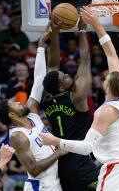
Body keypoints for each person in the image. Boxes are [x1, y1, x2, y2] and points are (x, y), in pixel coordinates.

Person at [40, 6, 119, 191]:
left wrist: (54, 141)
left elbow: (87, 147)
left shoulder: (103, 111)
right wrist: (95, 26)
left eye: (106, 79)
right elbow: (111, 55)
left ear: (107, 87)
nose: (105, 77)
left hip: (115, 172)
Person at [0, 25, 66, 191]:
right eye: (15, 104)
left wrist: (41, 45)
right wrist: (60, 151)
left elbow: (39, 79)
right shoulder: (18, 137)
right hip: (39, 186)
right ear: (12, 114)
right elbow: (33, 169)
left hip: (54, 181)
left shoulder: (32, 114)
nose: (20, 103)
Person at [41, 19, 98, 191]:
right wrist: (82, 32)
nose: (67, 74)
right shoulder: (78, 97)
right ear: (61, 87)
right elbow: (86, 60)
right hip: (81, 162)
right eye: (64, 76)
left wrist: (56, 33)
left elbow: (52, 64)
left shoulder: (47, 98)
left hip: (62, 164)